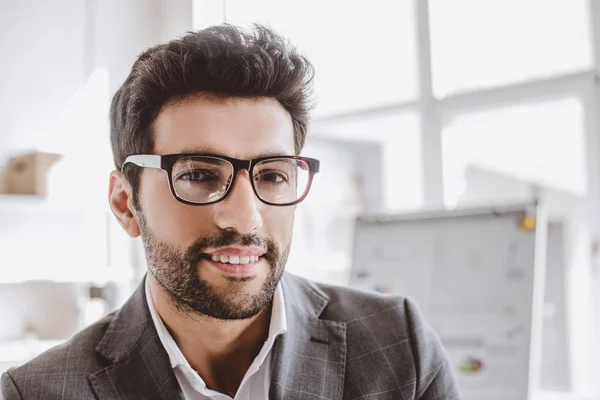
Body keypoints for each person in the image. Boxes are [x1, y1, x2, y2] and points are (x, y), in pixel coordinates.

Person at [1, 24, 461, 399]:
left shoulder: (398, 348)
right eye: (199, 174)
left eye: (273, 175)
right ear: (126, 203)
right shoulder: (38, 392)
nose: (245, 218)